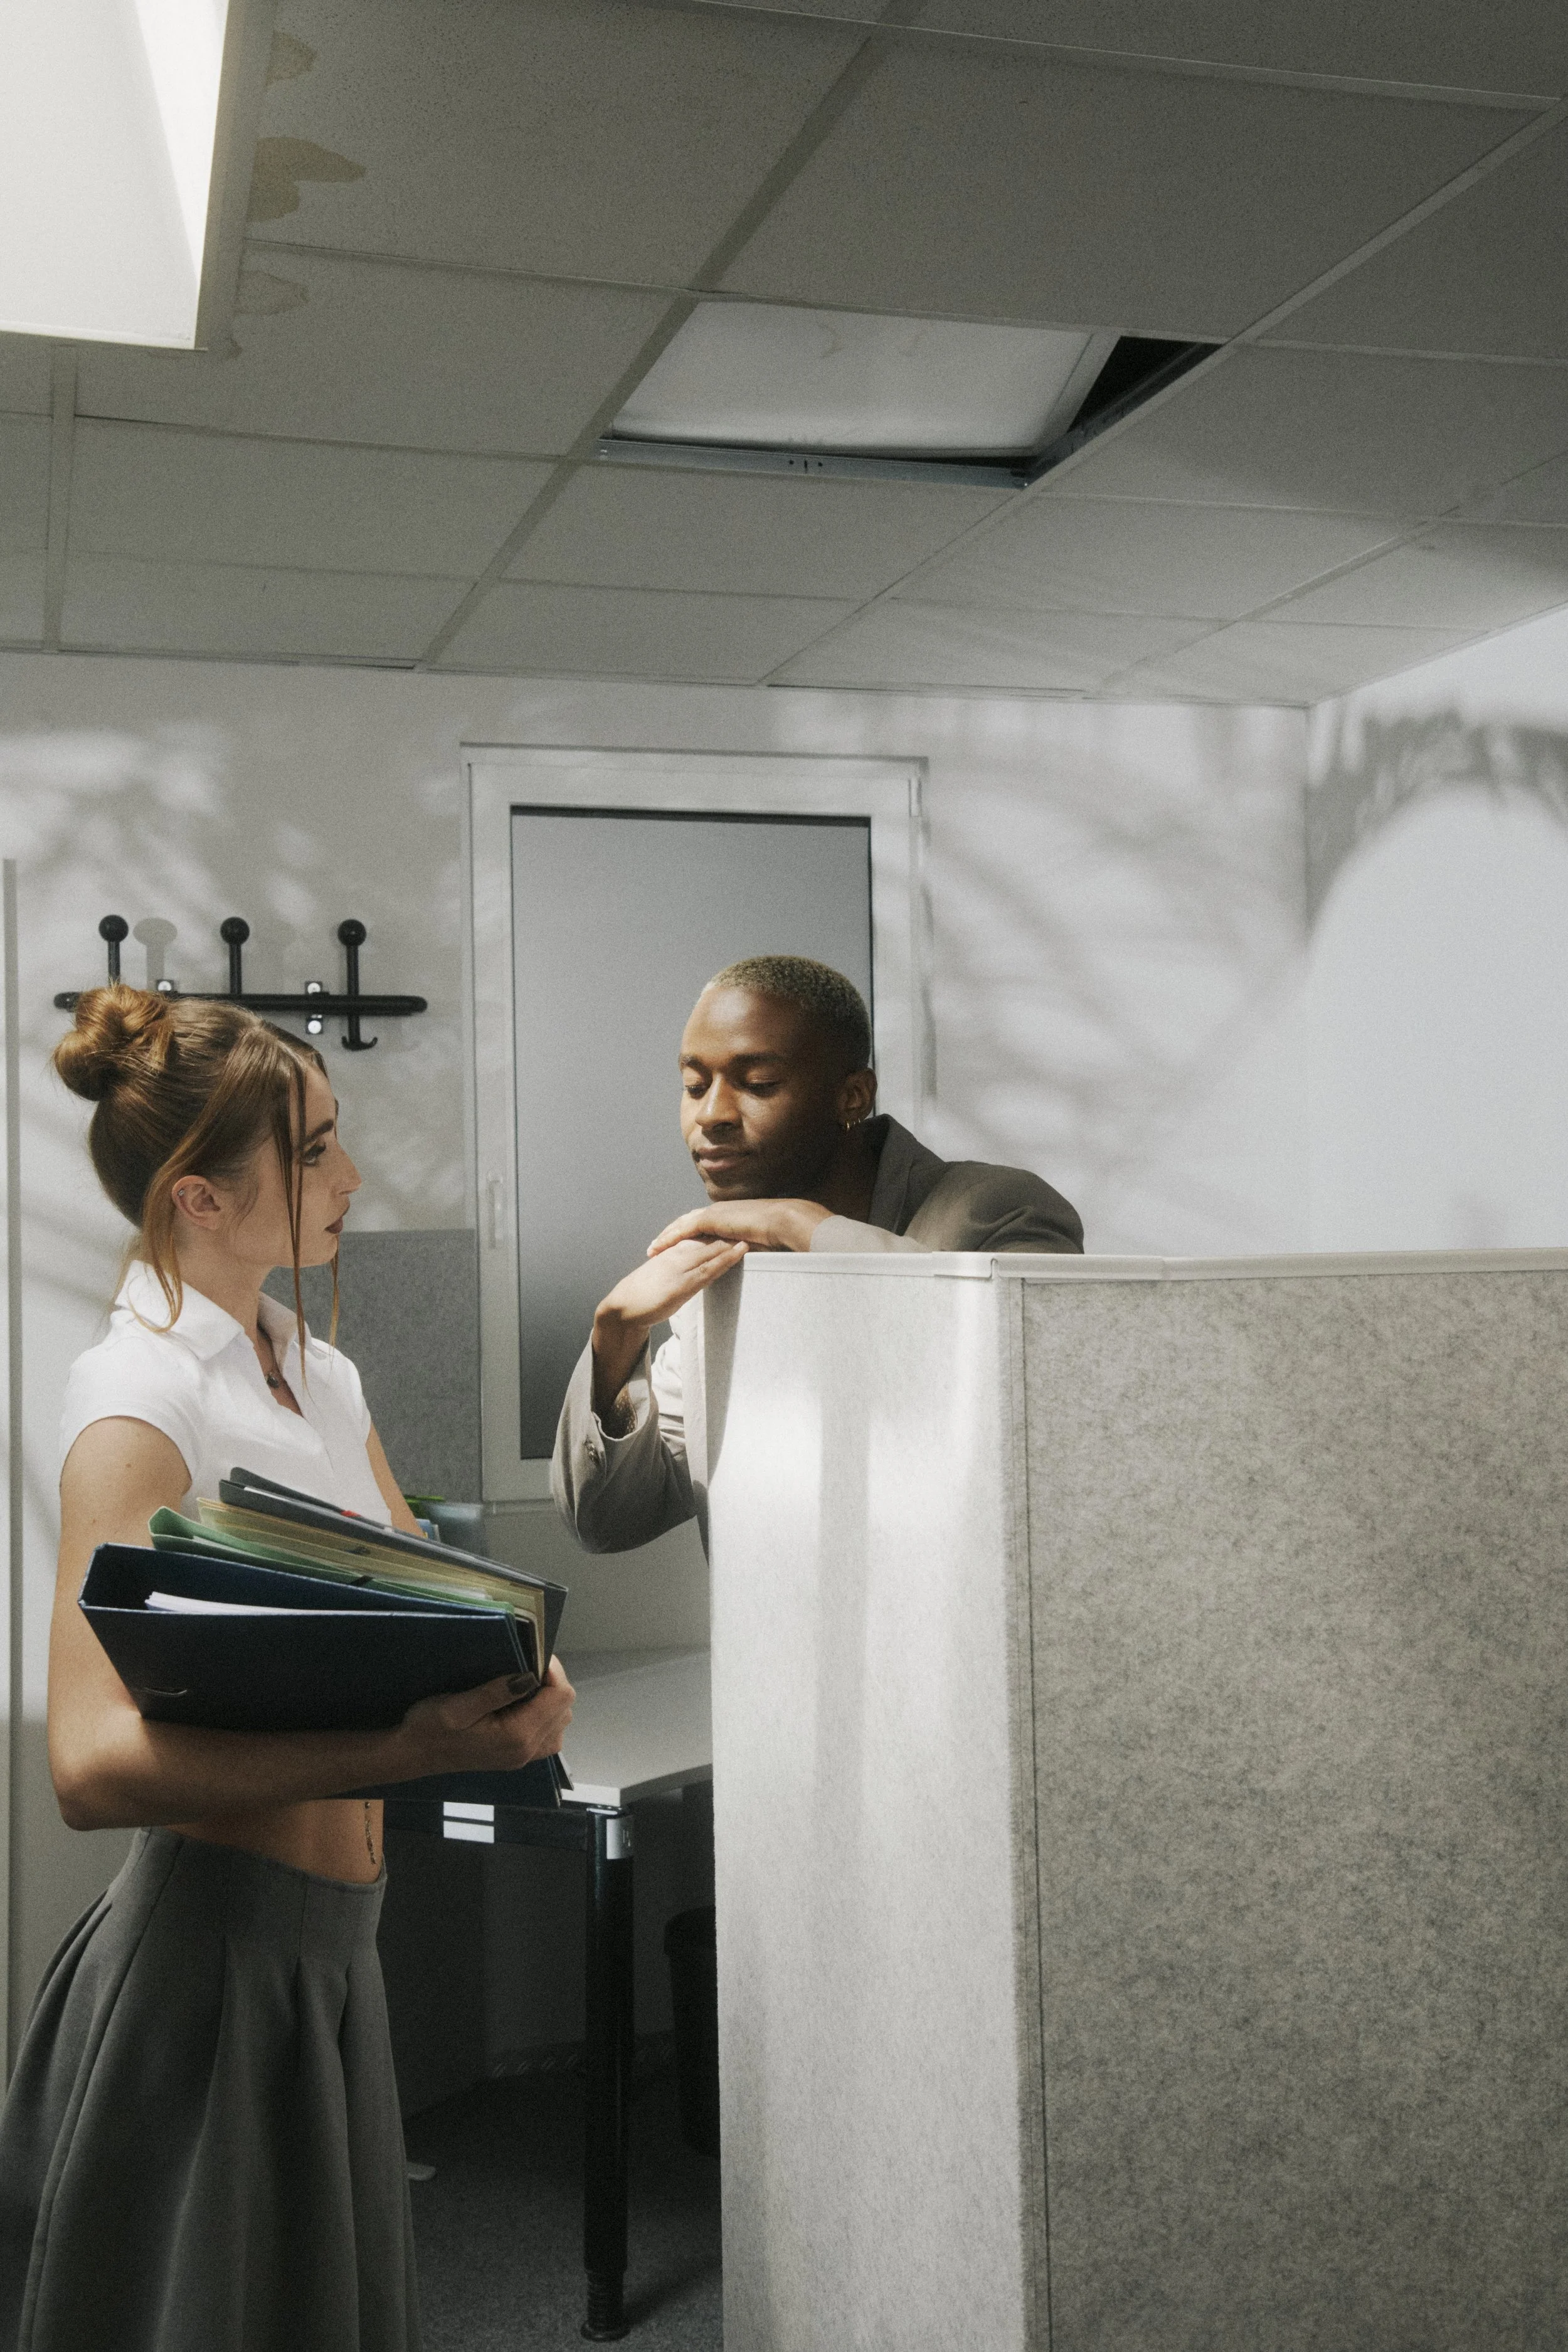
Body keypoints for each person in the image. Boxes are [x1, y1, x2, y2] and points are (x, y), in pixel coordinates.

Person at [0, 986, 573, 2352]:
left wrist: (511, 1673)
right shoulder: (139, 1401)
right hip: (212, 1967)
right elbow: (87, 1769)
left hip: (333, 1956)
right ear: (199, 1197)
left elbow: (423, 1609)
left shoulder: (317, 1373)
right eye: (314, 1151)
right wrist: (423, 1748)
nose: (351, 1178)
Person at [553, 954, 1082, 1554]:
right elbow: (608, 1521)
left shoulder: (1001, 1209)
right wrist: (615, 1340)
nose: (711, 1115)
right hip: (779, 1636)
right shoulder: (720, 1276)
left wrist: (806, 1227)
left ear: (853, 1096)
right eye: (695, 1086)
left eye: (758, 1085)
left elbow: (1042, 1405)